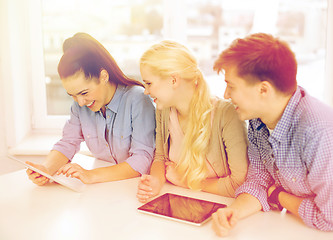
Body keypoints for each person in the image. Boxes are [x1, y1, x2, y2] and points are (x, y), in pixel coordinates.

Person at [211, 32, 333, 236]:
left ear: (263, 90)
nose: (226, 95)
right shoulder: (258, 119)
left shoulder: (319, 133)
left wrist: (277, 196)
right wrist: (234, 211)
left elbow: (328, 217)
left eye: (231, 86)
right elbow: (258, 179)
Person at [26, 33, 155, 185]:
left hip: (135, 187)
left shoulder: (137, 99)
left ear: (103, 76)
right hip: (103, 188)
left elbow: (142, 158)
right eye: (72, 95)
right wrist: (46, 169)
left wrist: (91, 175)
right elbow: (68, 142)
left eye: (84, 93)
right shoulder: (80, 106)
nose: (80, 102)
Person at [136, 40, 248, 202]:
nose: (146, 91)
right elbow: (160, 157)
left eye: (149, 83)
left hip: (218, 208)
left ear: (173, 80)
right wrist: (156, 181)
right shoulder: (163, 110)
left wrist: (187, 182)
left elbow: (239, 183)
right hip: (178, 201)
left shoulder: (226, 114)